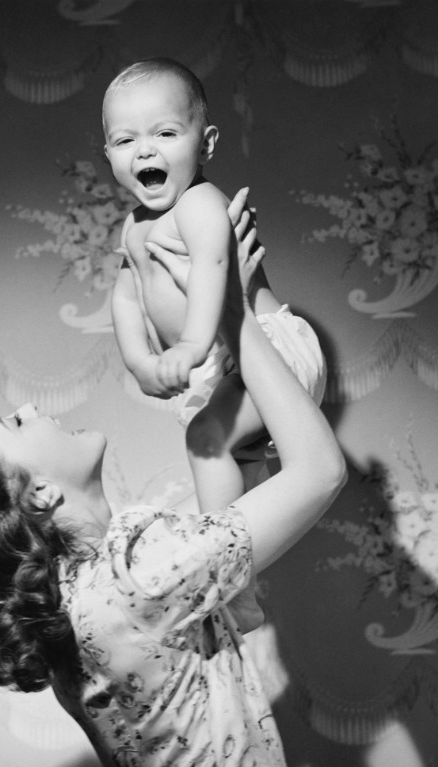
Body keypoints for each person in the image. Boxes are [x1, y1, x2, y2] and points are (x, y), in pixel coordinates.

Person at [0, 190, 346, 767]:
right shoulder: (138, 578)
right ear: (36, 495)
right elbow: (320, 473)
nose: (36, 406)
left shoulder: (83, 604)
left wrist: (240, 309)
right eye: (15, 421)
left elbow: (228, 522)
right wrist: (231, 314)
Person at [104, 57, 327, 514]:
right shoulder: (133, 225)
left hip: (266, 347)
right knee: (232, 466)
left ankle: (215, 553)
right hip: (225, 363)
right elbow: (126, 296)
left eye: (165, 133)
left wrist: (190, 344)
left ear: (205, 145)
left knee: (205, 439)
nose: (145, 151)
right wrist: (139, 361)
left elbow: (213, 266)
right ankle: (232, 558)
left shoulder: (199, 202)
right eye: (126, 140)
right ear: (109, 154)